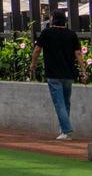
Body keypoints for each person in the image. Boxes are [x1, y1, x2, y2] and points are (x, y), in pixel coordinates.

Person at [33, 11, 84, 141]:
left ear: (53, 20)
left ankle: (66, 130)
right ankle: (63, 129)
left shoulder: (46, 33)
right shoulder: (71, 34)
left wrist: (33, 64)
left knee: (59, 103)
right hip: (68, 74)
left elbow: (37, 49)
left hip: (53, 73)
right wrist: (83, 70)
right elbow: (78, 53)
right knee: (66, 102)